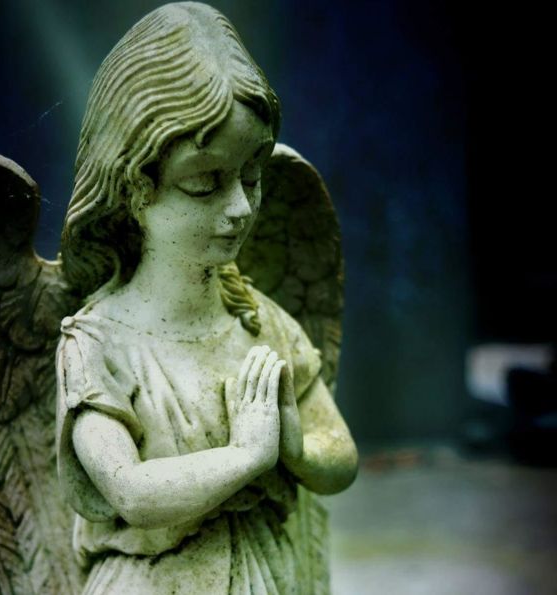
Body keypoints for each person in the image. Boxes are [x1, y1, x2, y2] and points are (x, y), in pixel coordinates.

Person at [56, 3, 357, 593]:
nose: (240, 207)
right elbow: (130, 491)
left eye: (252, 176)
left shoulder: (259, 322)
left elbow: (340, 458)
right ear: (135, 187)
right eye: (204, 183)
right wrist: (246, 457)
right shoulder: (98, 345)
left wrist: (295, 447)